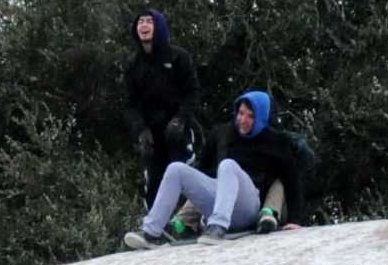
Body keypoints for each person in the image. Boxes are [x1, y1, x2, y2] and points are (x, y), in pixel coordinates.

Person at [124, 90, 312, 248]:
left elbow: (292, 180)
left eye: (250, 116)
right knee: (176, 169)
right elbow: (203, 170)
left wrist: (295, 219)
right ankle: (152, 232)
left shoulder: (276, 141)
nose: (243, 120)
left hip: (249, 206)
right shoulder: (222, 133)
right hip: (219, 200)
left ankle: (217, 227)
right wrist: (190, 212)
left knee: (228, 165)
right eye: (241, 113)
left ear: (261, 118)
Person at [123, 9, 200, 209]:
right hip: (152, 136)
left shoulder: (178, 57)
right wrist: (140, 130)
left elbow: (192, 92)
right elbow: (130, 104)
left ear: (159, 26)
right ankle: (156, 229)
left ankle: (187, 225)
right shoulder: (133, 65)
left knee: (184, 177)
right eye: (140, 22)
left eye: (149, 21)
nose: (144, 26)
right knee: (154, 183)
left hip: (177, 132)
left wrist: (180, 120)